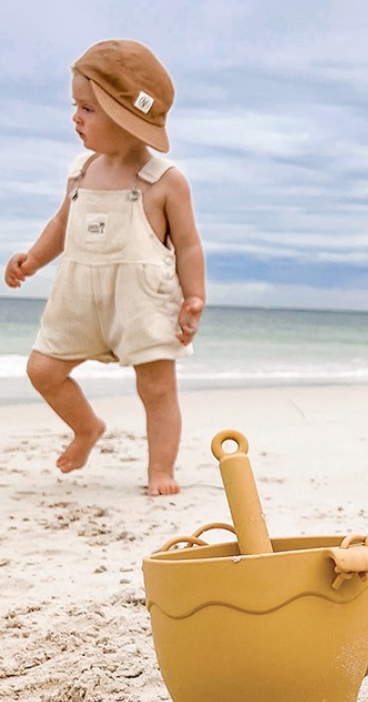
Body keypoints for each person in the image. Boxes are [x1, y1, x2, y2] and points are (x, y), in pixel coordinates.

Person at [4, 39, 205, 496]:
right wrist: (33, 260)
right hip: (79, 298)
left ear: (126, 117)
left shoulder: (163, 181)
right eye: (76, 105)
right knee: (42, 370)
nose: (76, 117)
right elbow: (62, 223)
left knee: (157, 390)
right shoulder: (81, 171)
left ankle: (160, 470)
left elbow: (189, 245)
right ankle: (86, 427)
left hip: (142, 305)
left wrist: (194, 294)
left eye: (88, 108)